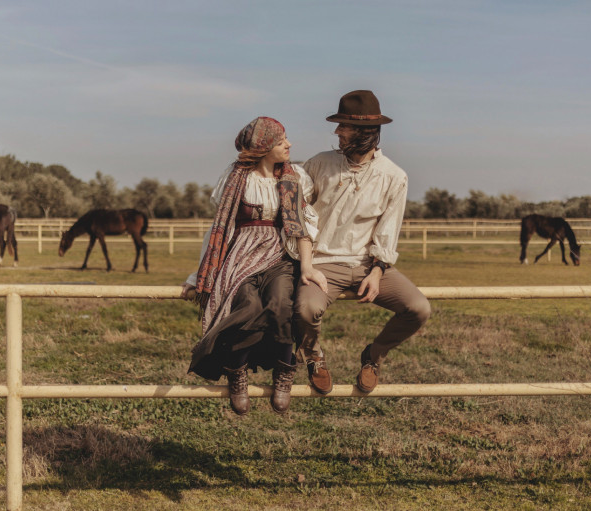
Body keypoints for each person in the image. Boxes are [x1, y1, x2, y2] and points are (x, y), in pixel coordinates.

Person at [181, 116, 327, 416]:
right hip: (241, 256)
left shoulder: (293, 177)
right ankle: (236, 370)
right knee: (246, 305)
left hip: (279, 255)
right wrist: (199, 275)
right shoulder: (236, 179)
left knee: (280, 304)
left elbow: (302, 226)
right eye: (281, 140)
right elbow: (219, 228)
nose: (289, 144)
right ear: (263, 147)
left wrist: (308, 267)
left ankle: (285, 372)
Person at [294, 90, 431, 394]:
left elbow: (388, 229)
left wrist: (378, 271)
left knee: (419, 308)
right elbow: (298, 214)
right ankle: (313, 354)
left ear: (364, 132)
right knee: (305, 309)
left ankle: (374, 355)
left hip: (369, 266)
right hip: (322, 265)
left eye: (343, 126)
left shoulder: (394, 176)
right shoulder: (319, 164)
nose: (337, 132)